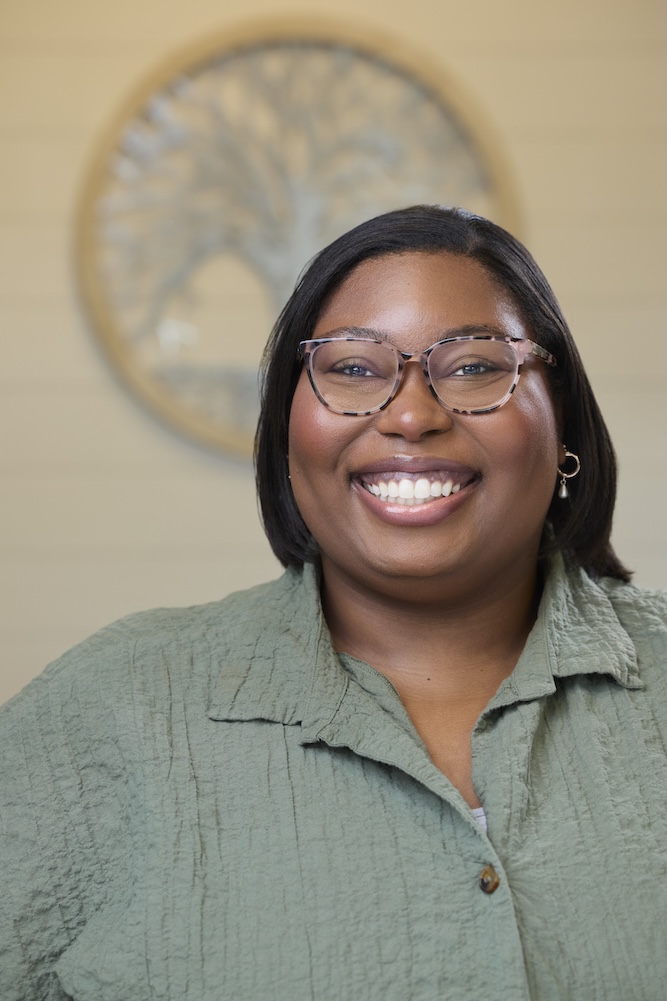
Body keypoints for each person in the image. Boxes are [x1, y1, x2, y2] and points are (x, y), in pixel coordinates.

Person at [1, 205, 664, 1001]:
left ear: (564, 427)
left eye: (472, 366)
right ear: (288, 432)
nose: (411, 415)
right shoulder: (102, 715)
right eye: (352, 367)